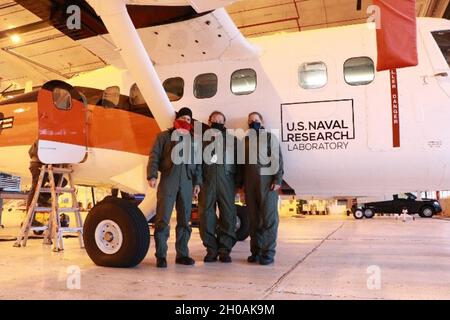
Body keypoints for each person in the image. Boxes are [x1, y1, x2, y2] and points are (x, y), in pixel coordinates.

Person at [147, 107, 202, 268]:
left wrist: (197, 183)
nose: (186, 121)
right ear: (177, 119)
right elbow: (154, 155)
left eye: (189, 120)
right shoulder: (163, 137)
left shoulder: (193, 141)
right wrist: (152, 175)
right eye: (183, 118)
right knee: (163, 218)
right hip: (168, 180)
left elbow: (198, 163)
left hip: (186, 181)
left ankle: (182, 254)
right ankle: (161, 255)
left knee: (185, 220)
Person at [241, 112, 284, 265]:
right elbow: (241, 165)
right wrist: (241, 186)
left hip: (267, 183)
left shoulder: (269, 138)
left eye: (256, 120)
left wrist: (277, 179)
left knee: (269, 220)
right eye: (251, 120)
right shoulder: (245, 140)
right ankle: (256, 252)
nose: (253, 122)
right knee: (254, 220)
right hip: (250, 184)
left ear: (262, 121)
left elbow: (277, 158)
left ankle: (268, 253)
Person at [198, 111, 239, 263]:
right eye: (215, 120)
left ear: (224, 123)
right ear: (209, 122)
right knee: (206, 216)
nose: (217, 122)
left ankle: (224, 250)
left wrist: (238, 184)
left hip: (227, 183)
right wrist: (197, 182)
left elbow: (239, 163)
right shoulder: (201, 141)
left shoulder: (233, 141)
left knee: (228, 216)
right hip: (206, 183)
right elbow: (196, 164)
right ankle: (211, 249)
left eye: (220, 120)